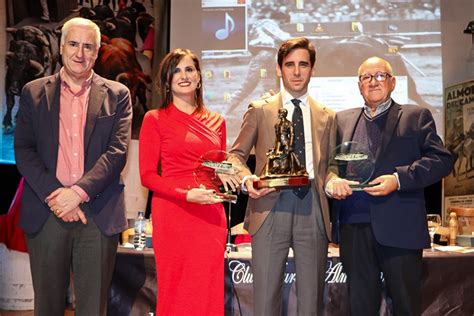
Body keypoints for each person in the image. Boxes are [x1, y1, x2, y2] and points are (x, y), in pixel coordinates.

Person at [14, 17, 132, 316]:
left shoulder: (118, 95)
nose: (80, 53)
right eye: (74, 44)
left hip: (98, 214)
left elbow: (117, 153)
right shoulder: (33, 92)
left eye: (88, 46)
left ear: (97, 52)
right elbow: (24, 151)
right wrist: (58, 195)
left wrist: (77, 193)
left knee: (94, 307)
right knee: (48, 306)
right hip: (47, 210)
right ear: (61, 47)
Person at [327, 56, 453, 315]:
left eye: (380, 75)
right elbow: (330, 166)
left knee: (406, 306)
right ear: (359, 85)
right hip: (354, 228)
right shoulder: (341, 120)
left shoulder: (415, 116)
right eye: (366, 77)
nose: (373, 82)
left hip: (400, 229)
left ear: (393, 82)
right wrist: (332, 181)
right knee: (361, 307)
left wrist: (398, 180)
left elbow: (442, 160)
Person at [229, 37, 337, 315]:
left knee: (311, 301)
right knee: (265, 301)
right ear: (279, 69)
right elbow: (235, 156)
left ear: (312, 69)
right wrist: (246, 180)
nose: (297, 71)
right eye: (290, 65)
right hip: (269, 205)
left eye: (303, 64)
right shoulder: (260, 109)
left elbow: (332, 166)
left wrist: (334, 179)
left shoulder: (328, 116)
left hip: (312, 206)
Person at [139, 48, 238, 315]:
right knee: (175, 287)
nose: (183, 75)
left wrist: (226, 169)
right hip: (173, 212)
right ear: (167, 81)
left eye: (189, 69)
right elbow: (147, 176)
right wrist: (186, 194)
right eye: (177, 70)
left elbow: (213, 162)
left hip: (209, 213)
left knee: (207, 287)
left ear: (199, 78)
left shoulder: (217, 121)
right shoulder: (154, 119)